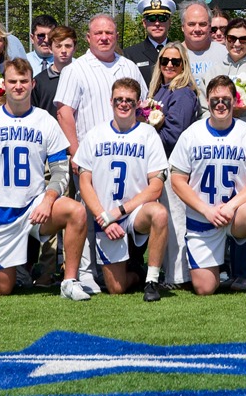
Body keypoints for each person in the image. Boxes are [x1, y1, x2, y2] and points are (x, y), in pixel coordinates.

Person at [0, 58, 89, 299]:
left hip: (33, 207)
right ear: (4, 85)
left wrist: (48, 201)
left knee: (76, 212)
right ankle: (17, 267)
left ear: (32, 84)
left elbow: (61, 170)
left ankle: (70, 280)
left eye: (23, 81)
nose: (18, 86)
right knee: (3, 290)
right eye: (13, 81)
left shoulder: (45, 120)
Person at [60, 77, 172, 300]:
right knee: (116, 288)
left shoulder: (148, 135)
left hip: (134, 212)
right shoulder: (95, 134)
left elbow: (156, 188)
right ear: (110, 101)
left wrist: (119, 212)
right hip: (105, 214)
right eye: (119, 99)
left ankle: (151, 280)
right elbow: (85, 183)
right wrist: (104, 216)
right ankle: (137, 272)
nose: (123, 104)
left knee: (159, 213)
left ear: (138, 103)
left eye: (129, 100)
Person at [167, 75, 246, 299]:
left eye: (226, 98)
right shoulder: (192, 134)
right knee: (205, 288)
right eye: (215, 98)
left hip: (236, 213)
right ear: (207, 100)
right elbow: (177, 179)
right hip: (202, 216)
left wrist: (231, 206)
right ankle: (221, 273)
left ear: (235, 100)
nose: (220, 103)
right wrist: (206, 210)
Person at [146, 42, 200, 154]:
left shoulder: (182, 93)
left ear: (183, 65)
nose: (169, 65)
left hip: (170, 159)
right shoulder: (159, 89)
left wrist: (143, 141)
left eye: (175, 62)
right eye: (165, 61)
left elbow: (173, 136)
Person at [179, 1, 227, 89]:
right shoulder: (173, 54)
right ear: (182, 27)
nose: (197, 29)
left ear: (209, 26)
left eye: (202, 24)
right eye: (191, 24)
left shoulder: (225, 53)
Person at [32, 22, 74, 115]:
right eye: (58, 46)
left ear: (75, 48)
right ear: (50, 48)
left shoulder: (81, 77)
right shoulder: (39, 81)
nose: (63, 51)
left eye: (68, 46)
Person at [125, 0, 178, 68]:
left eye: (162, 18)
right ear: (144, 23)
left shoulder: (179, 51)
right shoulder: (130, 54)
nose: (157, 23)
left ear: (169, 22)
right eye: (152, 19)